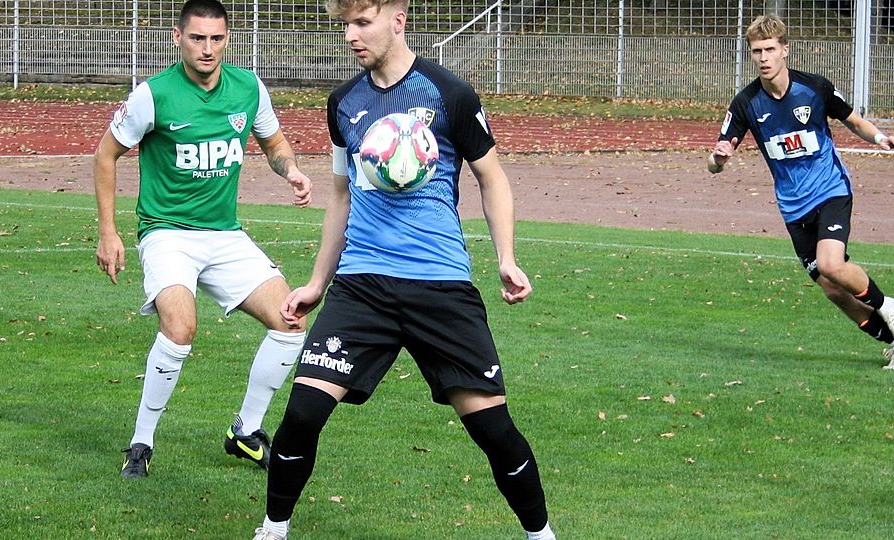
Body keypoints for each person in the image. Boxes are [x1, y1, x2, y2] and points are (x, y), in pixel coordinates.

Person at [250, 1, 556, 539]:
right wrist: (318, 282)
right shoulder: (344, 103)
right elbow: (342, 195)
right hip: (362, 286)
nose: (351, 35)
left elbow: (492, 179)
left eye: (362, 22)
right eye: (345, 25)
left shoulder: (450, 94)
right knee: (301, 414)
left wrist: (505, 258)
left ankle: (541, 534)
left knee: (493, 429)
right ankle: (273, 529)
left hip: (439, 283)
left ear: (398, 19)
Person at [94, 0, 313, 478]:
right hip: (167, 234)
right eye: (197, 38)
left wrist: (291, 170)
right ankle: (141, 442)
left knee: (291, 320)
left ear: (227, 39)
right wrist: (108, 232)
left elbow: (273, 142)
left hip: (225, 235)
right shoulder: (153, 95)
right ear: (178, 38)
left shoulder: (248, 87)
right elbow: (105, 155)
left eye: (216, 38)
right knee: (180, 327)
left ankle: (245, 431)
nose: (207, 48)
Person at [707, 14, 894, 369]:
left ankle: (890, 308)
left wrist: (881, 137)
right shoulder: (746, 103)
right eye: (757, 51)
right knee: (833, 289)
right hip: (793, 208)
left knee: (831, 264)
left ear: (785, 50)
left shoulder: (814, 88)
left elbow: (853, 120)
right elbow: (713, 163)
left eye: (770, 49)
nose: (763, 58)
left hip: (830, 189)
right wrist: (718, 158)